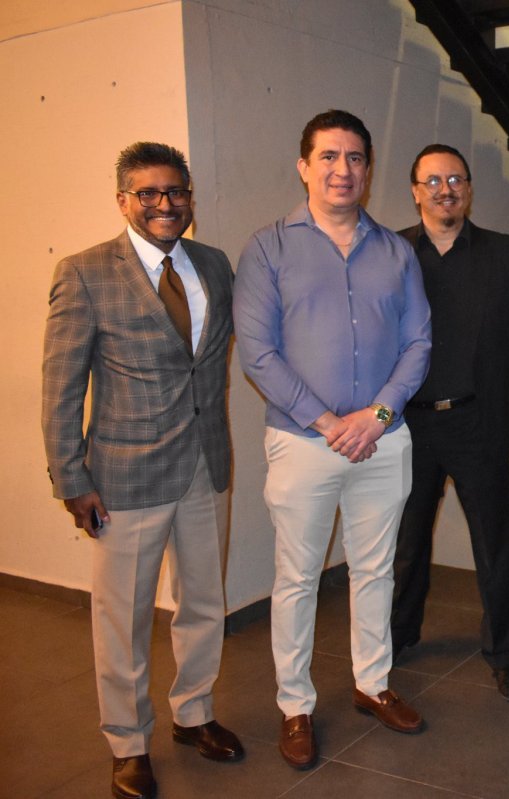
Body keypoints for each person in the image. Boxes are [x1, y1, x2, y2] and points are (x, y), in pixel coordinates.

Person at [42, 141, 243, 799]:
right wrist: (72, 478)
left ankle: (194, 712)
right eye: (149, 193)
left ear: (190, 197)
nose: (165, 203)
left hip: (206, 463)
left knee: (204, 601)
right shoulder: (84, 273)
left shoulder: (213, 264)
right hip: (125, 477)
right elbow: (61, 387)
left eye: (176, 191)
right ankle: (128, 743)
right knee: (122, 617)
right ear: (123, 200)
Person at [234, 110, 432, 769]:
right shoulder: (268, 248)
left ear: (368, 170)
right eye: (328, 156)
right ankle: (295, 705)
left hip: (383, 439)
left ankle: (373, 684)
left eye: (354, 158)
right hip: (302, 442)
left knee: (376, 568)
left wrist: (376, 415)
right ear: (304, 166)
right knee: (297, 577)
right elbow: (258, 353)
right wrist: (327, 422)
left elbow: (418, 342)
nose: (342, 170)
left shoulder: (396, 252)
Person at [390, 144, 509, 701]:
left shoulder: (507, 254)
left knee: (493, 546)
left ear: (468, 188)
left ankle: (505, 654)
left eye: (456, 179)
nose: (446, 189)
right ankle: (397, 636)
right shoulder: (389, 253)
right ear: (415, 191)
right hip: (407, 428)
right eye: (433, 180)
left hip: (480, 425)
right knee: (406, 545)